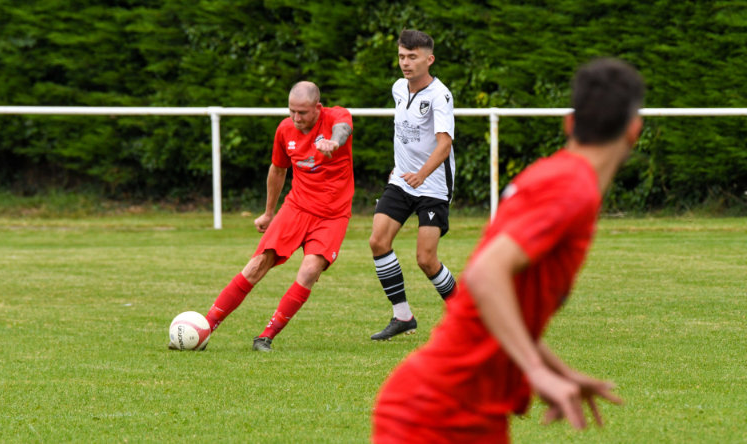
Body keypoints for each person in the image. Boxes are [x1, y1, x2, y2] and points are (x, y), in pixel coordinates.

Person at [372, 58, 645, 443]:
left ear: (569, 123)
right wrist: (535, 370)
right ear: (634, 129)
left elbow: (502, 307)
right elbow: (485, 275)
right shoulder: (571, 187)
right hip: (434, 412)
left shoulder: (558, 177)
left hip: (471, 408)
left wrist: (559, 370)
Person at [195, 81, 353, 352]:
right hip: (296, 207)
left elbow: (344, 128)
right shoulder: (284, 129)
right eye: (292, 111)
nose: (296, 118)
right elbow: (278, 170)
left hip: (332, 215)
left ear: (318, 107)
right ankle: (205, 328)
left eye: (302, 112)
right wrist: (269, 213)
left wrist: (334, 142)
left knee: (310, 270)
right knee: (257, 264)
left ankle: (266, 336)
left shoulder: (336, 116)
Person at [369, 29, 457, 341]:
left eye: (412, 57)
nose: (405, 63)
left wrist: (421, 174)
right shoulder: (398, 88)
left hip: (432, 186)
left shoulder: (440, 96)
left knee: (426, 260)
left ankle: (467, 316)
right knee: (378, 241)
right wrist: (404, 171)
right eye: (402, 57)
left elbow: (444, 144)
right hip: (402, 182)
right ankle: (403, 316)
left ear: (429, 60)